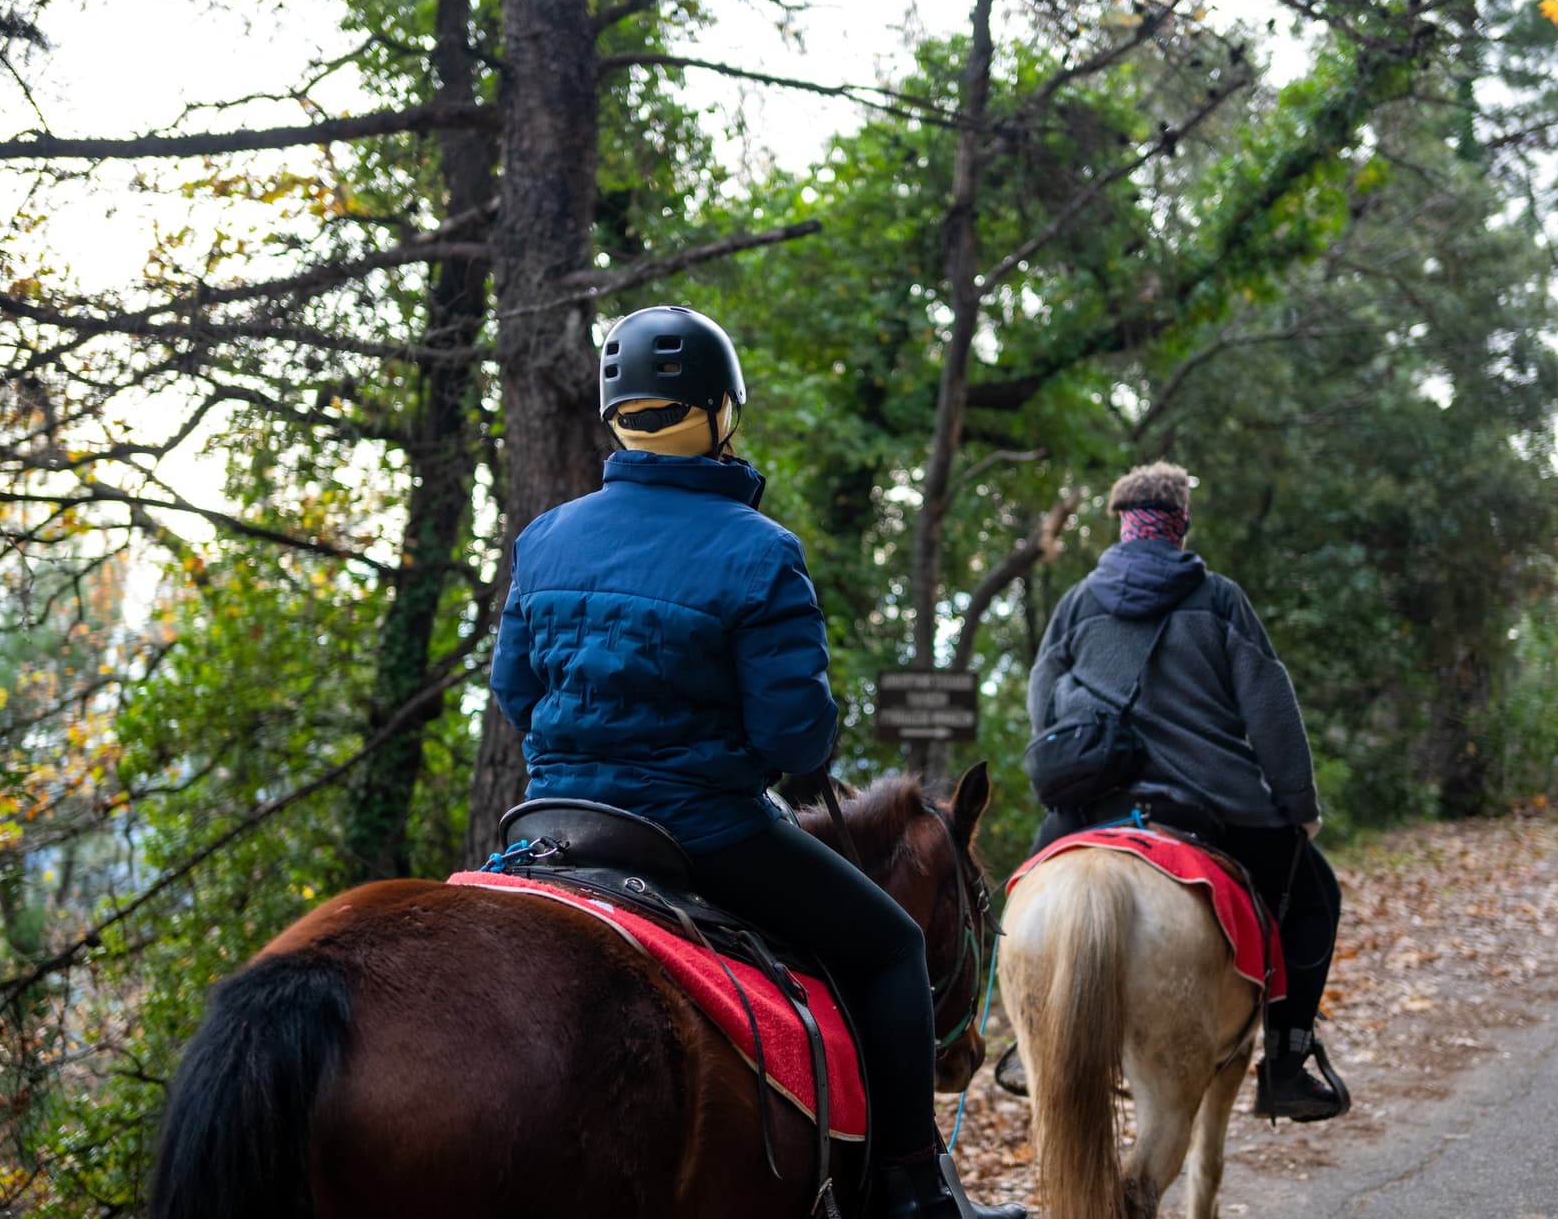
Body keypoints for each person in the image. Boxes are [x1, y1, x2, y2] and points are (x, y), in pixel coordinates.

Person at [490, 306, 1025, 1219]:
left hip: (548, 829)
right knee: (892, 945)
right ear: (721, 412)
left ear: (617, 414)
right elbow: (795, 744)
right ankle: (914, 1187)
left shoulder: (546, 537)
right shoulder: (759, 551)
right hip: (699, 832)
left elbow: (515, 694)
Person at [1026, 460, 1348, 1122]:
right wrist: (1297, 807)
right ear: (1179, 524)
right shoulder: (1219, 599)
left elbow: (1042, 700)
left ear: (1121, 523)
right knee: (1316, 898)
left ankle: (1020, 1038)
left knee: (1023, 899)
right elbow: (1271, 709)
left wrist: (1078, 769)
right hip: (1212, 806)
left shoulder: (1078, 603)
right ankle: (1286, 1061)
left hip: (1094, 804)